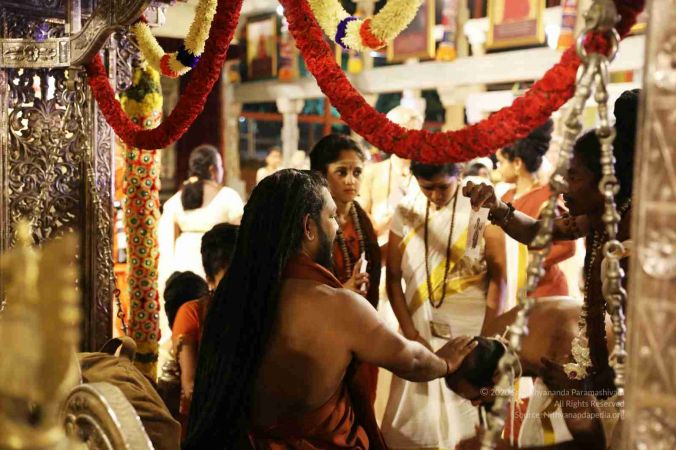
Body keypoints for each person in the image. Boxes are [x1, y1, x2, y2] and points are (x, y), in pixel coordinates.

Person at [183, 170, 479, 449]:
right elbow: (411, 361)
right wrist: (445, 363)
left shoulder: (224, 300)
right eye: (332, 216)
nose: (337, 228)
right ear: (308, 227)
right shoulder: (338, 307)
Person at [462, 89, 639, 400]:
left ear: (606, 184)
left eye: (573, 176)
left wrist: (586, 388)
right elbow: (536, 232)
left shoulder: (631, 238)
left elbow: (641, 342)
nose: (562, 186)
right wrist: (497, 207)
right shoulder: (595, 218)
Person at [381, 162, 507, 450]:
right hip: (419, 330)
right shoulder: (407, 209)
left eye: (443, 187)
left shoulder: (480, 204)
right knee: (416, 425)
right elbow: (393, 278)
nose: (436, 195)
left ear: (458, 174)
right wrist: (413, 336)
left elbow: (499, 277)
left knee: (468, 420)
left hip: (470, 330)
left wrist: (486, 339)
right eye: (427, 188)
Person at [448, 299, 620, 449]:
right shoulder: (492, 337)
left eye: (477, 397)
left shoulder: (561, 359)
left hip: (613, 375)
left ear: (496, 378)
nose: (475, 404)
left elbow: (593, 445)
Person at [309, 134, 382, 409]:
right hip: (323, 336)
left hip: (362, 328)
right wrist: (342, 292)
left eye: (357, 172)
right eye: (341, 172)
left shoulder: (361, 219)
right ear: (322, 175)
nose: (351, 180)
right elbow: (299, 284)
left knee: (363, 404)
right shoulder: (310, 223)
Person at [157, 145, 244, 371]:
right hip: (214, 264)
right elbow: (242, 236)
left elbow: (165, 241)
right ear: (213, 169)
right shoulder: (228, 197)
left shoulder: (177, 199)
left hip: (180, 263)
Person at [496, 120, 576, 306]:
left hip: (542, 288)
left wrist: (531, 260)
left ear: (517, 163)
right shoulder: (506, 196)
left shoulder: (546, 196)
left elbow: (567, 247)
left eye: (501, 162)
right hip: (511, 284)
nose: (498, 168)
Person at [171, 223, 239, 434]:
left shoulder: (259, 309)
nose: (239, 286)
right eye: (229, 280)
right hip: (205, 428)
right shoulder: (192, 313)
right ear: (210, 280)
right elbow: (191, 387)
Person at [359, 106, 425, 246]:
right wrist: (379, 225)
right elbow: (360, 215)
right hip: (381, 247)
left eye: (414, 134)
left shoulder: (427, 173)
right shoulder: (372, 172)